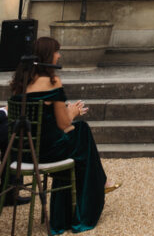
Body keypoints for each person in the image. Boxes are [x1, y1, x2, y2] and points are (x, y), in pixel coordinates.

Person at [9, 36, 120, 234]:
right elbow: (63, 123)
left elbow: (44, 122)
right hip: (47, 153)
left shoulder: (20, 82)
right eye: (56, 52)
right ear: (47, 56)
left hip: (23, 153)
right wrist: (73, 111)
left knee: (78, 135)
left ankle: (97, 185)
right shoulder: (52, 82)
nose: (59, 56)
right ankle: (96, 189)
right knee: (82, 130)